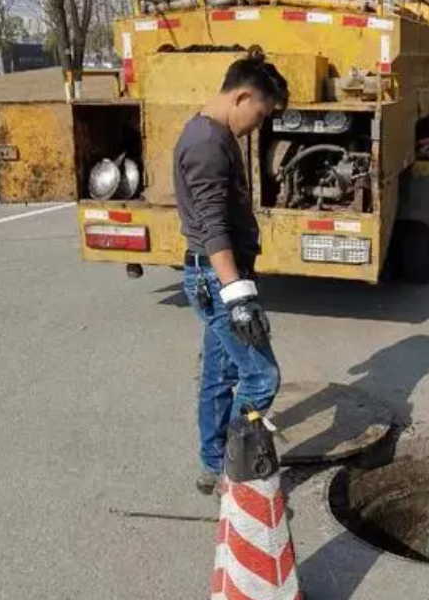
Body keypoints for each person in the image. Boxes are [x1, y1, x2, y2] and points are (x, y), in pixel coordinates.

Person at [173, 50, 289, 495]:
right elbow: (213, 226)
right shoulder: (207, 144)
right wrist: (238, 296)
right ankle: (236, 475)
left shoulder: (211, 131)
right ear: (241, 96)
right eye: (259, 115)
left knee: (220, 375)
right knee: (262, 377)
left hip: (215, 275)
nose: (257, 126)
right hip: (217, 277)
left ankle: (212, 462)